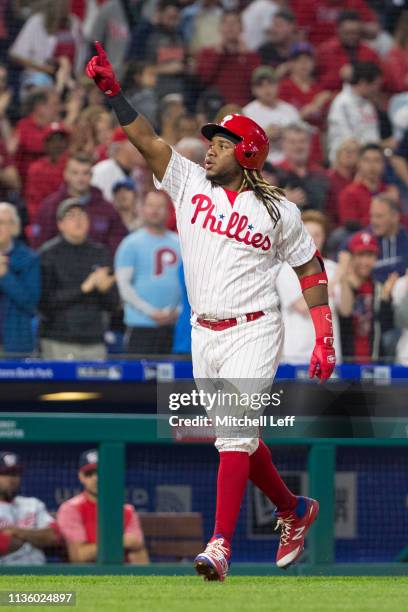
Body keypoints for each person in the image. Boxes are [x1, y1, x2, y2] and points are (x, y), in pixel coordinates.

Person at [87, 41, 336, 580]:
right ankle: (295, 508)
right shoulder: (188, 182)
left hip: (255, 327)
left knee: (232, 436)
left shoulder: (278, 209)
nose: (211, 150)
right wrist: (115, 95)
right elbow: (149, 142)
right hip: (204, 332)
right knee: (239, 436)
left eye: (223, 144)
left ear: (248, 153)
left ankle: (221, 545)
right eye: (212, 142)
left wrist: (323, 336)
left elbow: (310, 271)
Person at [38, 198, 118, 360]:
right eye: (71, 215)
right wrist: (83, 288)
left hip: (94, 339)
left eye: (82, 215)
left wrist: (106, 290)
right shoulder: (48, 253)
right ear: (60, 224)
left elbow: (113, 305)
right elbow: (44, 303)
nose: (78, 220)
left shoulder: (100, 252)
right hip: (58, 339)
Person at [115, 190, 181, 354]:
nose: (155, 210)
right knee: (137, 378)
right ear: (142, 209)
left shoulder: (181, 243)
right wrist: (151, 312)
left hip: (174, 325)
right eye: (150, 205)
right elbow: (124, 287)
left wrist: (178, 311)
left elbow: (190, 284)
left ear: (168, 211)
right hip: (140, 325)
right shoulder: (130, 243)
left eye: (160, 206)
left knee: (171, 378)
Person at [57, 449, 148, 564]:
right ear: (81, 477)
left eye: (102, 472)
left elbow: (136, 543)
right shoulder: (71, 509)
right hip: (86, 576)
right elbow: (79, 556)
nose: (96, 478)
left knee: (138, 552)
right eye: (89, 474)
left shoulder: (126, 510)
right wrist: (119, 542)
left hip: (121, 575)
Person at [276, 210, 342, 364]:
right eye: (308, 234)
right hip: (297, 354)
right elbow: (303, 307)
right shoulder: (286, 269)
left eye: (318, 234)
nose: (313, 239)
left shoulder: (333, 268)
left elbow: (345, 308)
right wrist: (336, 279)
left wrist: (343, 275)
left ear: (325, 237)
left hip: (330, 353)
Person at [33, 153, 127, 254]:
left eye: (85, 173)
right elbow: (40, 244)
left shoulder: (107, 209)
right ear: (66, 174)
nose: (80, 178)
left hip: (98, 266)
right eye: (75, 173)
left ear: (91, 176)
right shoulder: (50, 206)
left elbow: (118, 244)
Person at [337, 230, 396, 362]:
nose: (364, 261)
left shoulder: (379, 288)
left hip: (374, 360)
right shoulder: (343, 284)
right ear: (352, 257)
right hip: (347, 361)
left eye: (369, 255)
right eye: (360, 255)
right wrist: (346, 279)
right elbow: (345, 313)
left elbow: (386, 326)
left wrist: (386, 299)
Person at [0, 451, 60, 565]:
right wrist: (35, 537)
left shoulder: (33, 503)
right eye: (5, 474)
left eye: (15, 474)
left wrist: (16, 532)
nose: (11, 479)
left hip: (38, 574)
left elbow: (54, 536)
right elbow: (4, 544)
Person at [196, 10, 260, 107]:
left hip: (244, 109)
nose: (230, 27)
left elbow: (255, 84)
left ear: (242, 28)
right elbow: (203, 80)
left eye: (234, 23)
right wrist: (218, 54)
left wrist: (244, 57)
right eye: (226, 23)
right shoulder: (207, 53)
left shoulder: (252, 56)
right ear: (220, 28)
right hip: (215, 108)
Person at [0, 203, 39, 356]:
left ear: (14, 227)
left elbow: (30, 302)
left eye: (3, 222)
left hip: (15, 343)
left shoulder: (28, 258)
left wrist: (5, 276)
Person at [243, 66, 300, 165]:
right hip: (260, 165)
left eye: (270, 83)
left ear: (278, 86)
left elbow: (301, 139)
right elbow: (242, 147)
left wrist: (285, 135)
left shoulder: (290, 111)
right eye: (260, 85)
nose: (266, 89)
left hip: (289, 165)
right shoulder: (247, 113)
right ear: (253, 90)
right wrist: (264, 137)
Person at [327, 62, 382, 163]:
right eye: (375, 85)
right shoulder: (342, 103)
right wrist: (382, 145)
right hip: (344, 160)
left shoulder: (368, 104)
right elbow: (348, 141)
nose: (377, 89)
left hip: (368, 159)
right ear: (363, 83)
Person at [315, 11, 381, 92]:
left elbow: (380, 79)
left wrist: (357, 74)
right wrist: (339, 75)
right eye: (347, 33)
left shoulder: (370, 53)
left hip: (364, 98)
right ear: (338, 30)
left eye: (355, 33)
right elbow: (316, 82)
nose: (352, 36)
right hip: (332, 97)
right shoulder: (325, 51)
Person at [338, 143, 398, 229]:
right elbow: (350, 225)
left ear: (383, 164)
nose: (372, 165)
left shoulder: (390, 192)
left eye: (377, 160)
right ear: (359, 163)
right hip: (361, 238)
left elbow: (401, 222)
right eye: (367, 160)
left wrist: (394, 204)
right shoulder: (349, 193)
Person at [25, 122, 70, 225]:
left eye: (61, 139)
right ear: (45, 144)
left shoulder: (73, 166)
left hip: (69, 217)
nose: (57, 144)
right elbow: (33, 203)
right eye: (52, 140)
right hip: (44, 219)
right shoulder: (35, 169)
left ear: (67, 143)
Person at [277, 123, 330, 211]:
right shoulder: (273, 172)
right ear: (283, 145)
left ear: (310, 144)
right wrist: (281, 200)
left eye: (302, 141)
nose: (298, 146)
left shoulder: (322, 174)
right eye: (292, 142)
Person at [91, 127, 143, 202]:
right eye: (135, 143)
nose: (141, 148)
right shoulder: (101, 171)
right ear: (120, 145)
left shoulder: (138, 174)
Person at [369, 194, 408, 282]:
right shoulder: (364, 241)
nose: (373, 221)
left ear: (395, 217)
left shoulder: (406, 241)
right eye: (372, 216)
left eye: (379, 216)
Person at [326, 139, 360, 226]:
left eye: (353, 151)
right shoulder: (327, 177)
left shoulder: (361, 179)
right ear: (338, 154)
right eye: (345, 150)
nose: (348, 153)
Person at [257, 9, 298, 75]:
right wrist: (278, 74)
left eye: (278, 25)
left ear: (291, 27)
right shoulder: (264, 52)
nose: (273, 29)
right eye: (273, 25)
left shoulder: (301, 51)